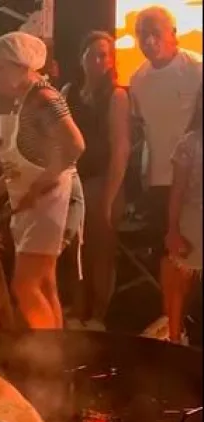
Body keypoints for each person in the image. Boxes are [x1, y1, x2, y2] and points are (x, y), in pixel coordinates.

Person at [0, 32, 85, 329]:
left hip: (53, 197)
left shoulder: (44, 98)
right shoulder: (23, 100)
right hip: (36, 200)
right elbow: (21, 164)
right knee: (44, 283)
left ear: (21, 66)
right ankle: (57, 351)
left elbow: (75, 145)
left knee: (25, 286)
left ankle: (46, 352)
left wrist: (37, 188)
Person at [130, 6, 202, 330]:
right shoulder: (137, 80)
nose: (148, 40)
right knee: (169, 254)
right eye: (142, 34)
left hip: (196, 182)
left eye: (154, 32)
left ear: (173, 33)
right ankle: (172, 327)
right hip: (161, 180)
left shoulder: (197, 70)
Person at [62, 31, 131, 331]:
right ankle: (79, 308)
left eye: (105, 56)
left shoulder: (116, 96)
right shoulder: (69, 92)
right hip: (73, 180)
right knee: (75, 250)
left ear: (112, 61)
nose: (99, 61)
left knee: (100, 251)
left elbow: (121, 148)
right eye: (93, 54)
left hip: (103, 181)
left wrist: (109, 196)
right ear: (82, 58)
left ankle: (99, 314)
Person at [164, 90, 202, 343]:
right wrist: (173, 230)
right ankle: (175, 338)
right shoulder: (189, 143)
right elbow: (177, 191)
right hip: (192, 221)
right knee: (180, 282)